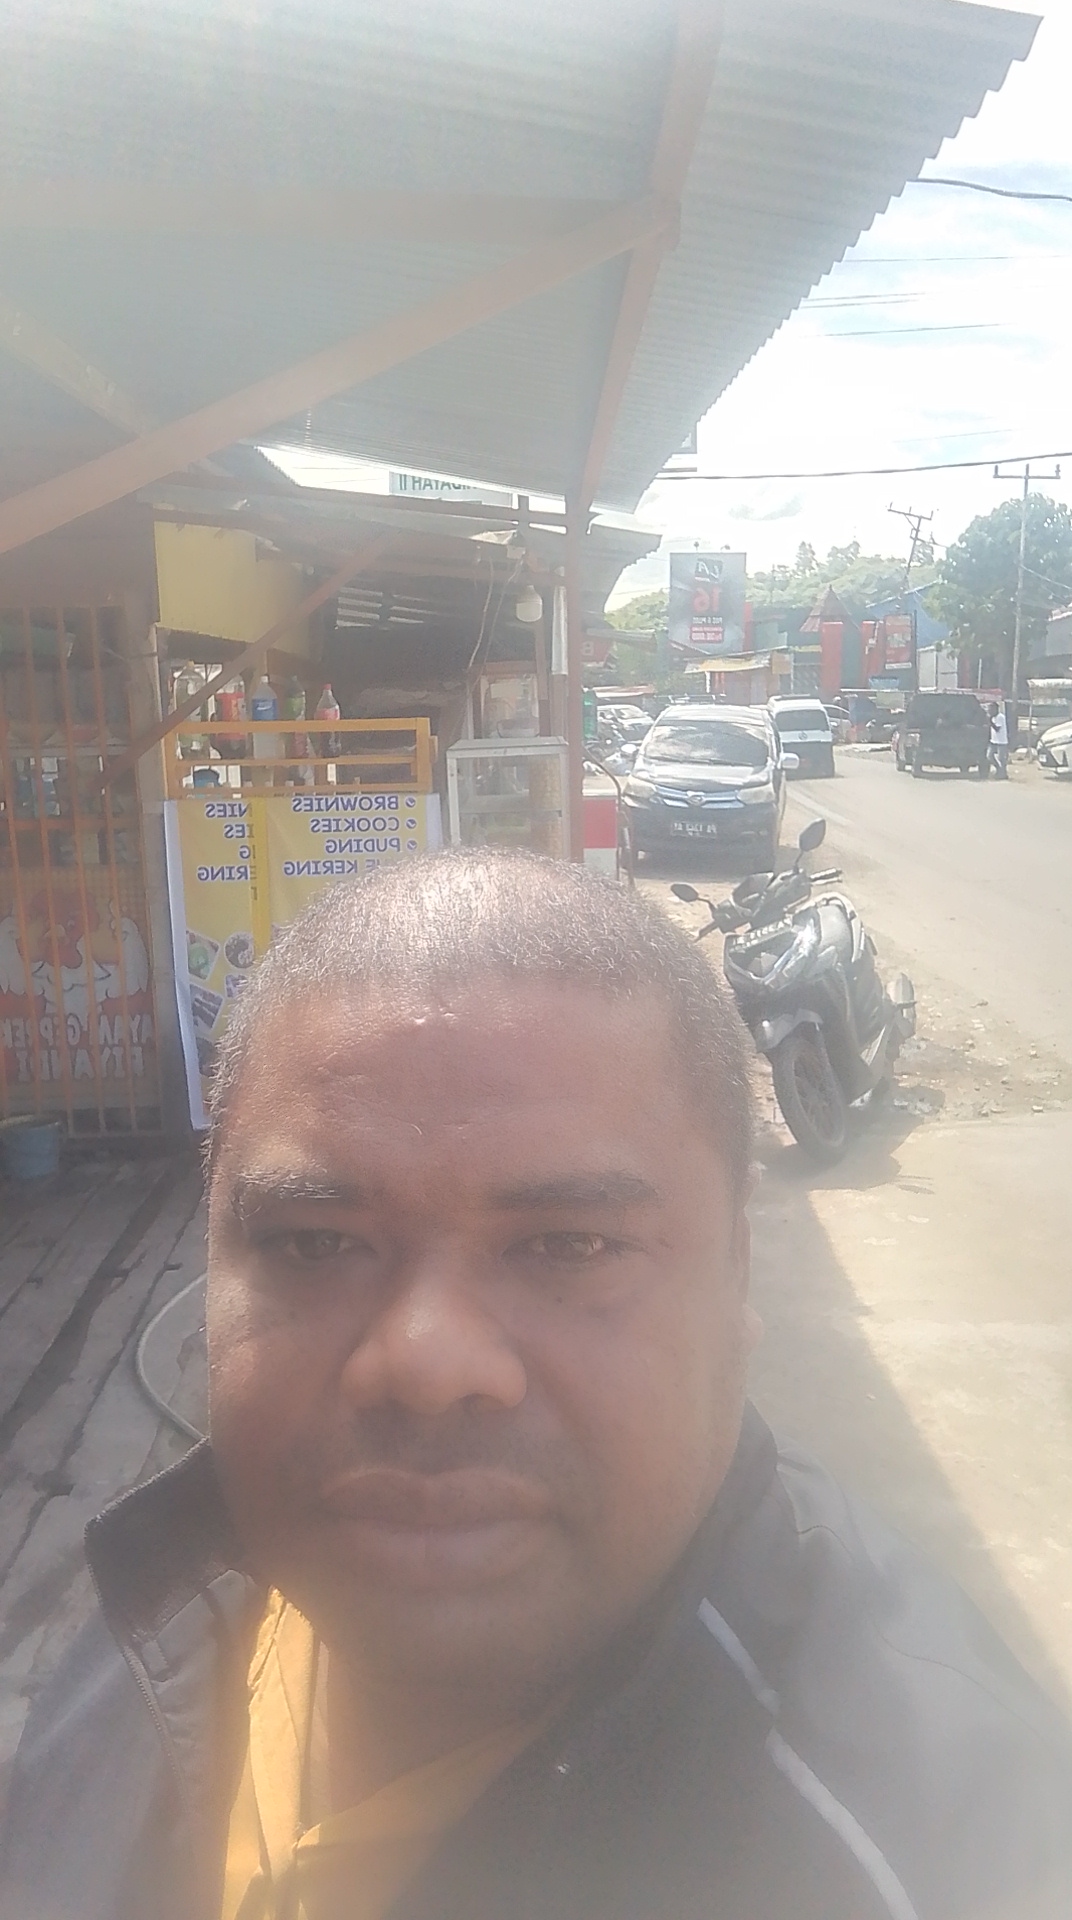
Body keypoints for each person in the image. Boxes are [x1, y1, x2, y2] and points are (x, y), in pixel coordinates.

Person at [3, 850, 1071, 1920]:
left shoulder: (944, 1852)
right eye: (316, 1243)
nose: (427, 1365)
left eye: (570, 1245)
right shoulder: (148, 1621)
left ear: (736, 1275)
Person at [989, 701, 1010, 777]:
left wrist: (990, 721)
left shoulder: (1000, 717)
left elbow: (997, 729)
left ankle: (1003, 774)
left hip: (1001, 741)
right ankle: (998, 768)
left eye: (991, 709)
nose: (990, 711)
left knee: (1002, 759)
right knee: (989, 756)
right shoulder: (993, 717)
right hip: (993, 741)